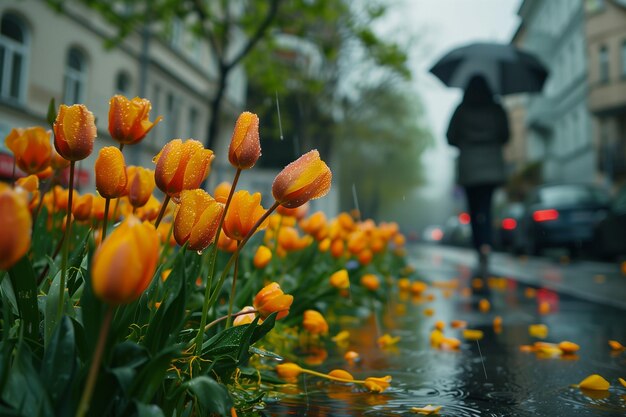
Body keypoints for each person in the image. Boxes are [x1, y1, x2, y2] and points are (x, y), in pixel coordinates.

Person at [446, 75, 509, 277]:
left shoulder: (461, 109)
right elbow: (506, 135)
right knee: (487, 207)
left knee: (474, 209)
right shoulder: (496, 108)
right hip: (491, 166)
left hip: (469, 167)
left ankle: (479, 247)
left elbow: (450, 137)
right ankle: (487, 245)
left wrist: (466, 141)